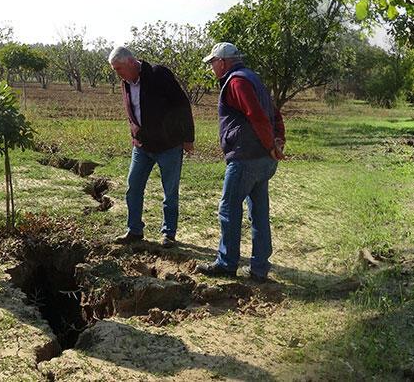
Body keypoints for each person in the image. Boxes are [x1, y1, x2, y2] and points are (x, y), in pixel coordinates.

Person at [195, 42, 285, 283]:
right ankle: (259, 269)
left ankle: (226, 263)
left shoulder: (236, 82)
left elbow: (256, 115)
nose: (211, 67)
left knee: (228, 210)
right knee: (259, 213)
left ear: (223, 62)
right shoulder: (253, 77)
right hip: (263, 159)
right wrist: (277, 142)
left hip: (246, 158)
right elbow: (274, 112)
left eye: (212, 62)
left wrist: (270, 144)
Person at [108, 46, 195, 247]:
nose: (117, 74)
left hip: (169, 146)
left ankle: (168, 233)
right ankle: (134, 230)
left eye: (118, 68)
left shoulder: (159, 74)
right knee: (133, 187)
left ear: (131, 62)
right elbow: (133, 110)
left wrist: (188, 138)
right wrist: (134, 133)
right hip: (142, 147)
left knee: (169, 192)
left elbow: (182, 105)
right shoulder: (126, 82)